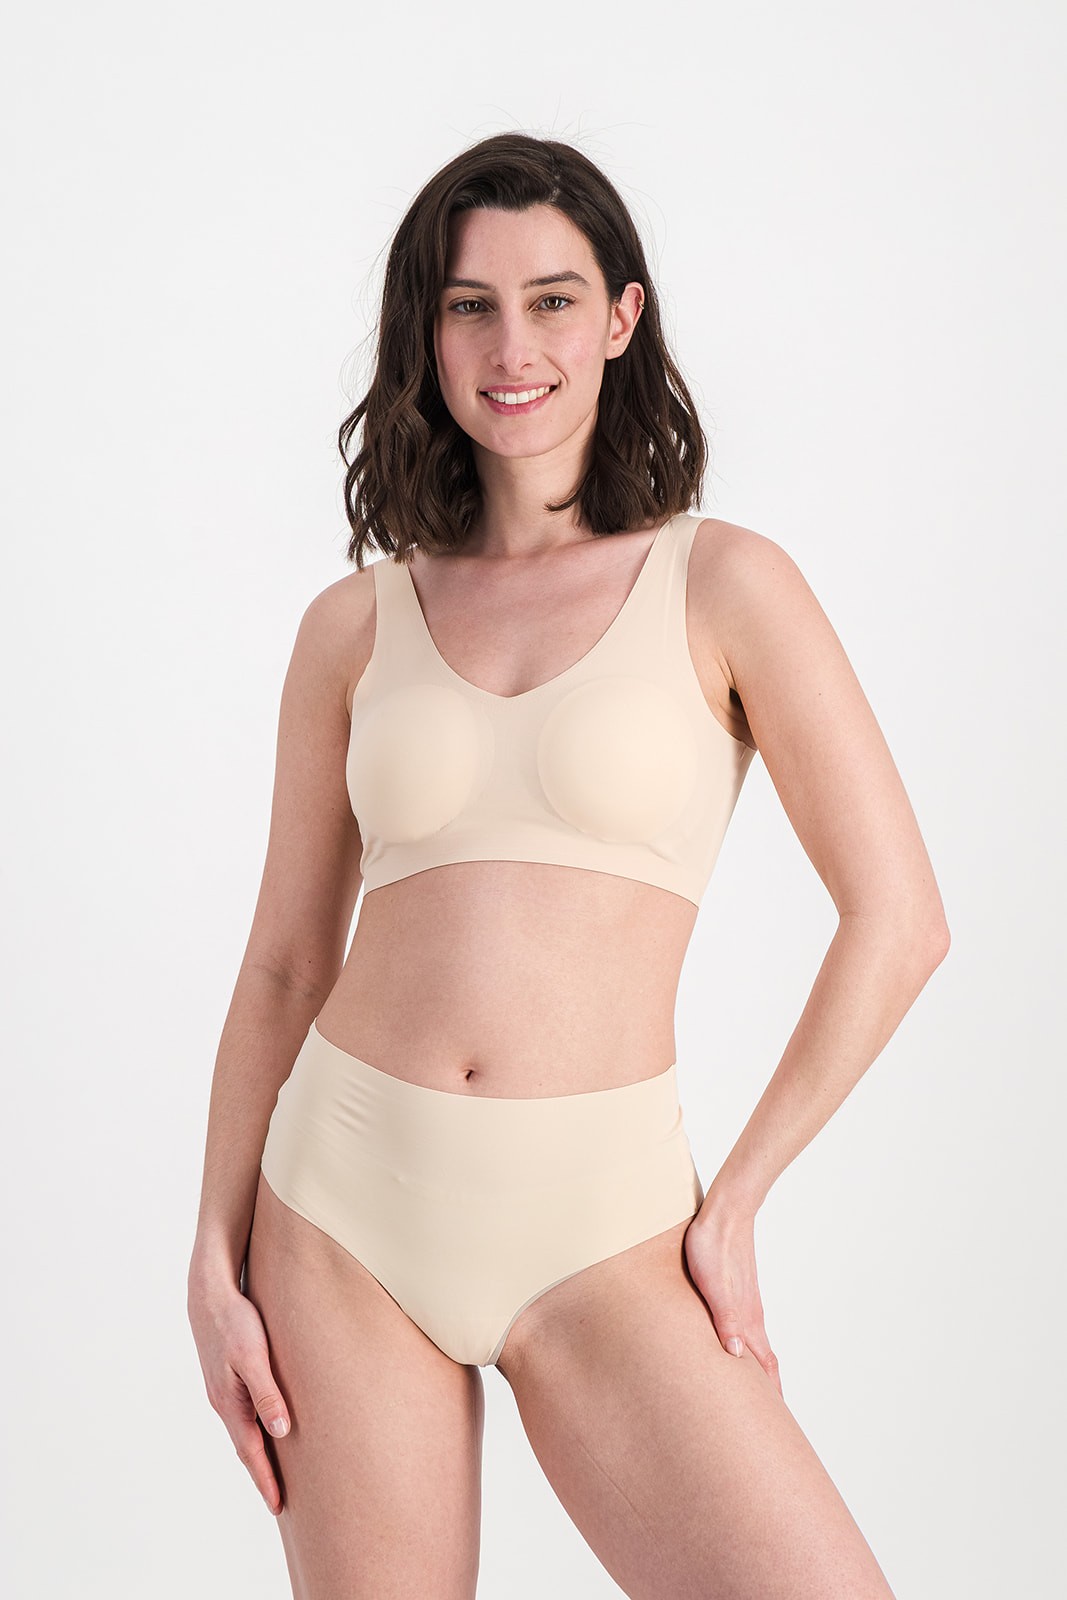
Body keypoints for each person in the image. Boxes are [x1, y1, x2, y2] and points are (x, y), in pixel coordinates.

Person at [187, 131, 949, 1599]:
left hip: (605, 1225)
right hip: (340, 1210)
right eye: (468, 305)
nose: (510, 346)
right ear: (426, 334)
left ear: (620, 318)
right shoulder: (352, 626)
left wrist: (737, 1199)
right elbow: (284, 964)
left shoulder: (726, 583)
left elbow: (899, 920)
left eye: (552, 300)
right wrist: (213, 1262)